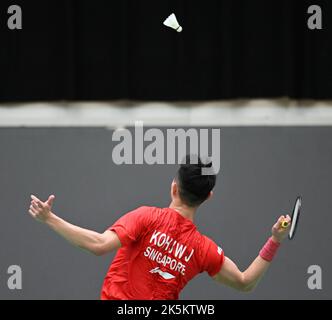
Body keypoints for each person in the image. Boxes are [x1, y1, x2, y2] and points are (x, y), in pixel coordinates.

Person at [28, 155, 291, 300]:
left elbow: (99, 245)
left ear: (174, 187)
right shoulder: (203, 249)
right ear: (208, 197)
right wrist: (275, 240)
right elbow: (245, 283)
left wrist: (50, 219)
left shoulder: (145, 217)